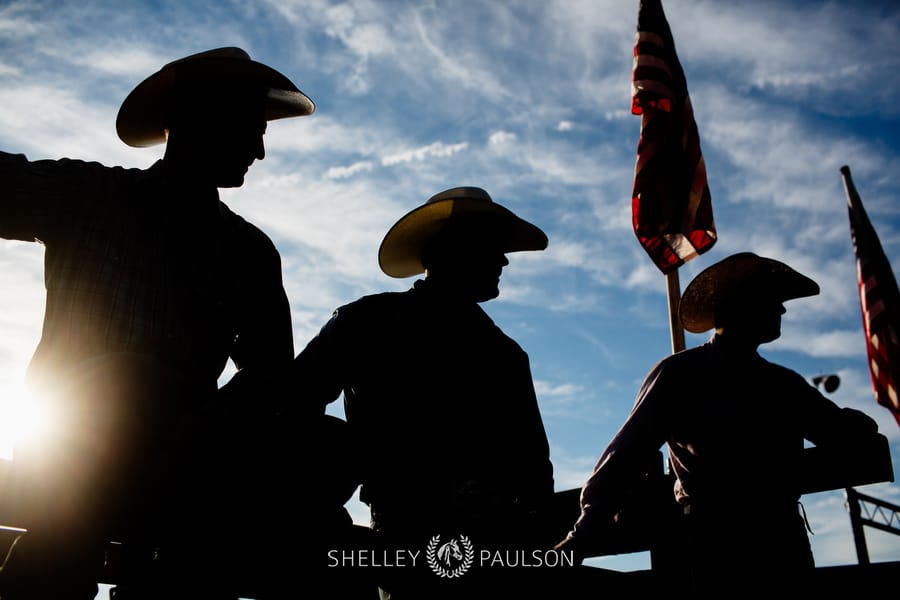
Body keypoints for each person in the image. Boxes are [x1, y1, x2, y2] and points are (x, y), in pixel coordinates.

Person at [0, 47, 350, 599]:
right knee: (122, 405)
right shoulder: (89, 197)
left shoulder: (249, 251)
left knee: (324, 450)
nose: (260, 150)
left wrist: (200, 423)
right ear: (197, 123)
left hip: (184, 455)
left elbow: (269, 376)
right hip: (77, 453)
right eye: (249, 130)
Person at [555, 252, 881, 597]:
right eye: (773, 300)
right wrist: (584, 532)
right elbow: (627, 456)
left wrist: (584, 531)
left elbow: (839, 429)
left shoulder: (776, 383)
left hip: (766, 540)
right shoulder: (691, 376)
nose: (782, 310)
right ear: (743, 306)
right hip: (720, 543)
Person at [291, 186, 558, 599]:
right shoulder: (365, 323)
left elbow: (535, 472)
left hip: (483, 547)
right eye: (491, 246)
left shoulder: (504, 355)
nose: (504, 259)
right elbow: (293, 407)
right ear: (451, 251)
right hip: (406, 536)